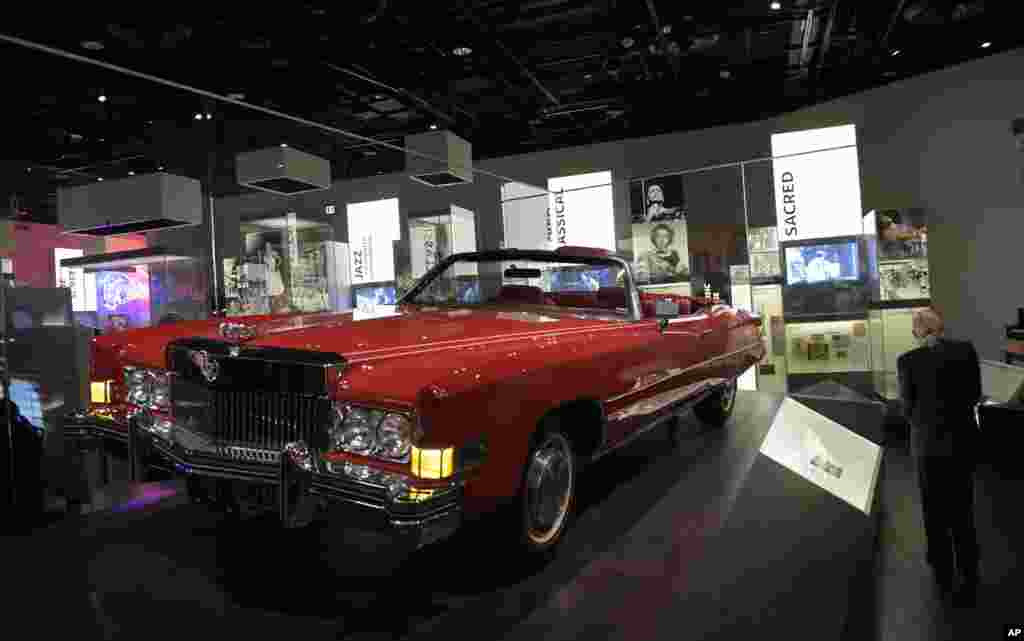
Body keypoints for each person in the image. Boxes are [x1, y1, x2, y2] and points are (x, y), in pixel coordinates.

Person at [897, 308, 982, 607]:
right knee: (963, 506)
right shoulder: (966, 351)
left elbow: (907, 408)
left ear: (918, 331)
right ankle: (969, 566)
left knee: (934, 509)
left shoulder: (907, 362)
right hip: (962, 443)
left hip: (928, 447)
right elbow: (974, 394)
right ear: (940, 327)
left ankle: (942, 569)